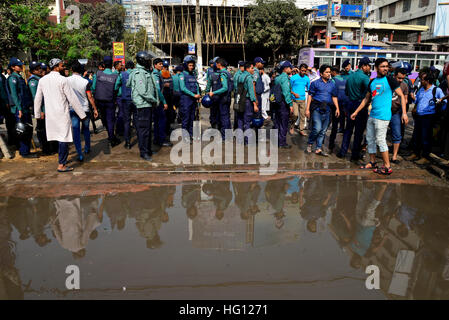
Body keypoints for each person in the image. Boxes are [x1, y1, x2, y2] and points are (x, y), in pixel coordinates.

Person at [351, 58, 408, 175]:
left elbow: (402, 96)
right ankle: (372, 162)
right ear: (376, 68)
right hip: (372, 115)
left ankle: (387, 166)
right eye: (382, 66)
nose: (385, 68)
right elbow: (366, 99)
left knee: (381, 140)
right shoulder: (372, 82)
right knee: (370, 139)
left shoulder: (390, 80)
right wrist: (356, 112)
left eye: (387, 66)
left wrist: (404, 113)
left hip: (383, 116)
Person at [33, 58, 87, 172]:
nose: (63, 67)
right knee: (64, 138)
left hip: (50, 114)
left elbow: (37, 98)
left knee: (57, 137)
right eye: (62, 65)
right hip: (62, 114)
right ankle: (61, 165)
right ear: (56, 66)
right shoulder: (63, 80)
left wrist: (37, 114)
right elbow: (72, 99)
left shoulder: (43, 80)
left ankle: (62, 160)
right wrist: (82, 115)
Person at [407, 67, 447, 165]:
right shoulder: (421, 90)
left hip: (429, 116)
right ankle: (416, 153)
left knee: (426, 137)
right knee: (417, 135)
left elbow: (444, 102)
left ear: (427, 80)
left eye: (422, 79)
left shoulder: (436, 90)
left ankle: (425, 156)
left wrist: (439, 107)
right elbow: (417, 101)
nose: (421, 81)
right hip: (419, 116)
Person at [337, 57, 372, 161]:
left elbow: (347, 92)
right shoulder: (365, 78)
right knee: (358, 132)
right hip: (360, 106)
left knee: (348, 130)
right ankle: (355, 155)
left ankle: (342, 152)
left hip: (350, 104)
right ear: (364, 66)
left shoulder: (351, 77)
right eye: (369, 66)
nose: (370, 68)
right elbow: (369, 93)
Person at [127, 51, 160, 162]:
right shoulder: (139, 73)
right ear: (142, 61)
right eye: (148, 60)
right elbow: (143, 91)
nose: (149, 62)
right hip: (143, 105)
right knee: (144, 131)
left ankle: (148, 150)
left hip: (147, 104)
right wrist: (154, 100)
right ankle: (144, 152)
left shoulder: (145, 71)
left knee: (148, 129)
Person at [67, 61, 99, 162]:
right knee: (86, 129)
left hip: (72, 109)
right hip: (84, 109)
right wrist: (95, 109)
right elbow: (90, 96)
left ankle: (79, 154)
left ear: (72, 70)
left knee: (75, 131)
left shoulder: (66, 80)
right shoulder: (85, 82)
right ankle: (87, 148)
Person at [7, 57, 38, 158]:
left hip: (25, 108)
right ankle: (24, 152)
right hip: (19, 109)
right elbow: (14, 95)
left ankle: (26, 150)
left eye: (21, 65)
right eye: (18, 66)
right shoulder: (13, 78)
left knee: (28, 128)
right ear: (12, 67)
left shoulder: (19, 77)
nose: (21, 67)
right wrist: (19, 109)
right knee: (22, 130)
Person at [305, 64, 340, 156]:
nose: (329, 74)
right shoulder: (315, 83)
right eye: (327, 72)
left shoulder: (332, 84)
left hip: (328, 109)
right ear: (321, 73)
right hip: (317, 108)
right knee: (317, 128)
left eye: (329, 72)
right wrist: (307, 109)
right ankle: (310, 143)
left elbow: (334, 96)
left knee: (323, 131)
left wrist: (337, 108)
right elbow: (310, 96)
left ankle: (318, 148)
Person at [28, 61, 57, 155]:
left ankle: (50, 148)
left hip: (46, 108)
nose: (40, 70)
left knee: (47, 129)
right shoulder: (33, 81)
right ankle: (46, 150)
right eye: (37, 69)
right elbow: (35, 97)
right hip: (41, 110)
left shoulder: (40, 79)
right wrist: (40, 111)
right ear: (33, 71)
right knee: (42, 130)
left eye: (40, 68)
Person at [92, 56, 120, 147]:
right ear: (112, 64)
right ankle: (112, 138)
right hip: (110, 101)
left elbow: (93, 87)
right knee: (110, 120)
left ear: (103, 64)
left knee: (104, 119)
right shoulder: (116, 75)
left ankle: (111, 136)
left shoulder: (98, 74)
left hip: (99, 101)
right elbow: (116, 88)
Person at [206, 57, 231, 138]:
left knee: (218, 116)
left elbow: (224, 87)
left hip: (220, 98)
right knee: (226, 116)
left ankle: (224, 136)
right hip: (226, 97)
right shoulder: (229, 73)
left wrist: (212, 93)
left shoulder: (221, 74)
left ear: (219, 64)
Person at [234, 62, 258, 144]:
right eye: (252, 68)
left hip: (239, 99)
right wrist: (255, 104)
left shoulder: (238, 76)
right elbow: (251, 92)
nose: (253, 70)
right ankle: (247, 141)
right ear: (247, 69)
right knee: (247, 121)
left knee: (240, 120)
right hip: (247, 101)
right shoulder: (249, 78)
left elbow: (235, 87)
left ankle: (240, 140)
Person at [179, 55, 201, 142]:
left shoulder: (193, 75)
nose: (191, 67)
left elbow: (196, 85)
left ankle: (191, 135)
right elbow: (183, 88)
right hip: (186, 100)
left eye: (192, 65)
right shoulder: (182, 75)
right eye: (190, 65)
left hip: (193, 100)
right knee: (186, 119)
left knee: (192, 118)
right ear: (185, 65)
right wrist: (193, 95)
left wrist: (198, 95)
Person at [389, 68, 409, 164]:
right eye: (399, 78)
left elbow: (405, 99)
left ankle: (394, 156)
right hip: (384, 111)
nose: (400, 80)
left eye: (402, 78)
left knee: (397, 134)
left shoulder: (404, 85)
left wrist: (404, 113)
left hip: (396, 112)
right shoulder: (388, 82)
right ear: (394, 75)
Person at [328, 66, 350, 152]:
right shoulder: (345, 79)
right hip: (346, 104)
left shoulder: (333, 80)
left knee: (334, 125)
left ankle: (331, 143)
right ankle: (344, 146)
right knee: (346, 125)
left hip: (335, 105)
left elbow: (331, 92)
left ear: (333, 72)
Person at [273, 61, 294, 149]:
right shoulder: (285, 78)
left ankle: (278, 141)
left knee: (278, 122)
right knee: (284, 123)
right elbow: (286, 92)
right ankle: (282, 143)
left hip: (277, 103)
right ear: (285, 69)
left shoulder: (277, 78)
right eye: (290, 67)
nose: (291, 69)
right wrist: (290, 104)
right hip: (283, 103)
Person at [116, 61, 136, 149]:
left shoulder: (122, 74)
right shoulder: (137, 74)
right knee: (137, 121)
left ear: (126, 68)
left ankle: (127, 142)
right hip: (136, 101)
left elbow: (116, 86)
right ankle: (140, 141)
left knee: (127, 121)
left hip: (126, 100)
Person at [152, 58, 172, 147]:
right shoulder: (155, 74)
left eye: (162, 64)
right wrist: (164, 102)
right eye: (160, 64)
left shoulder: (158, 74)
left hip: (157, 101)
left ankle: (157, 139)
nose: (162, 65)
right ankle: (161, 139)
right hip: (159, 101)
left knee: (157, 121)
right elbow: (158, 90)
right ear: (155, 65)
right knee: (161, 120)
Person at [290, 63, 310, 136]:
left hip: (303, 99)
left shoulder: (307, 79)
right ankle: (292, 126)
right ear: (299, 70)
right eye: (302, 70)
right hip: (294, 99)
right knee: (295, 114)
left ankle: (301, 129)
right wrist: (294, 94)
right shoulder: (293, 78)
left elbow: (309, 89)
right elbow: (289, 88)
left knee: (302, 115)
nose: (303, 72)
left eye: (305, 71)